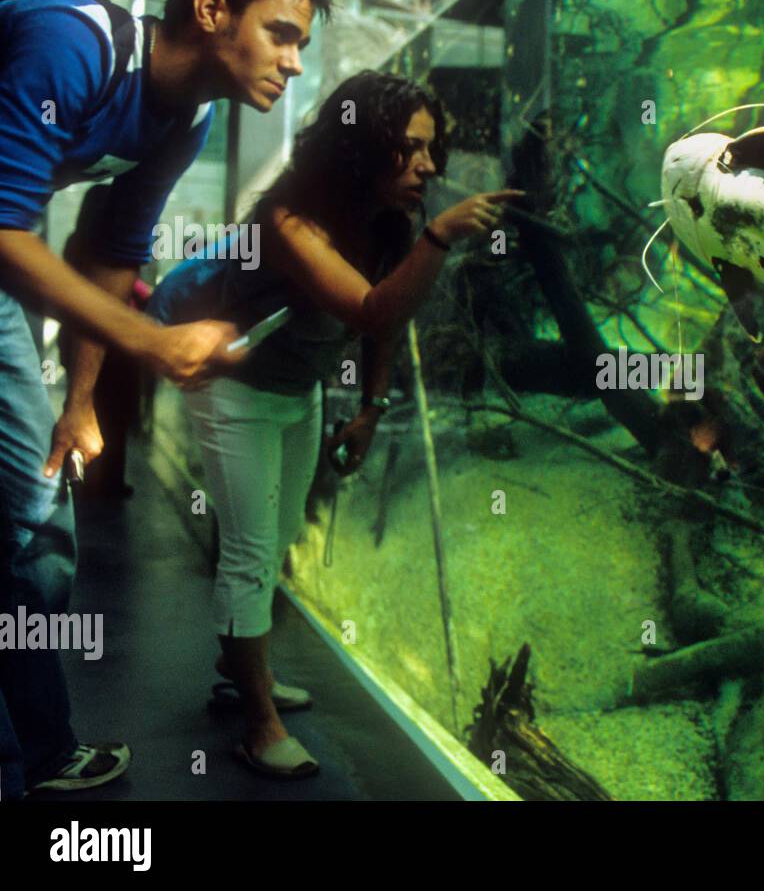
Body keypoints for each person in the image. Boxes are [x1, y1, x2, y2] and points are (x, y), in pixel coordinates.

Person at [0, 0, 331, 799]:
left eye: (302, 43)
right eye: (282, 33)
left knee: (36, 501)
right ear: (212, 8)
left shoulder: (186, 120)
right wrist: (152, 346)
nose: (294, 60)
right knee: (35, 524)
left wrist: (79, 403)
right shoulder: (76, 45)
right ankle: (40, 750)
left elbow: (109, 255)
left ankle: (40, 747)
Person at [147, 70, 522, 779]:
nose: (429, 166)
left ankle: (241, 674)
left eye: (431, 149)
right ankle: (259, 725)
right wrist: (441, 235)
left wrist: (372, 407)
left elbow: (388, 324)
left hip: (298, 389)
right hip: (233, 388)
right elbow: (373, 309)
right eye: (410, 149)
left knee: (281, 536)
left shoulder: (389, 219)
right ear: (361, 146)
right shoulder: (290, 221)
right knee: (251, 553)